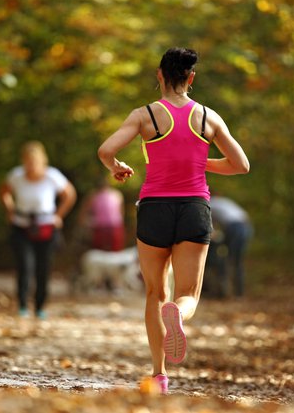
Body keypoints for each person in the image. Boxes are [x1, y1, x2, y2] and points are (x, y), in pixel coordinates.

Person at [98, 47, 249, 393]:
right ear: (191, 78)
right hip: (195, 208)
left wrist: (117, 167)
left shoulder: (144, 115)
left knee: (154, 292)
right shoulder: (208, 116)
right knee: (187, 293)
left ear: (159, 75)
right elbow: (241, 164)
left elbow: (106, 151)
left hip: (154, 208)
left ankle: (159, 375)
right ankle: (179, 314)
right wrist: (200, 163)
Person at [0, 141, 76, 320]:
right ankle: (23, 305)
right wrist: (10, 211)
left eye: (34, 161)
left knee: (44, 268)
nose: (31, 165)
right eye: (27, 161)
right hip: (21, 225)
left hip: (46, 226)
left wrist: (59, 215)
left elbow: (69, 195)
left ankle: (40, 306)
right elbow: (3, 192)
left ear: (42, 161)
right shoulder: (16, 175)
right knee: (24, 266)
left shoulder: (52, 176)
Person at [209, 195, 253, 298]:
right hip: (247, 226)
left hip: (234, 227)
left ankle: (224, 289)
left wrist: (214, 236)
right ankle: (238, 293)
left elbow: (207, 225)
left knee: (225, 258)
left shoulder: (210, 203)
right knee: (237, 261)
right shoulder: (223, 201)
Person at [79, 177, 125, 252]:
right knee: (100, 251)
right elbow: (83, 213)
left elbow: (121, 212)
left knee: (114, 251)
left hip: (113, 227)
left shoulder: (116, 195)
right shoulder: (93, 196)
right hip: (102, 228)